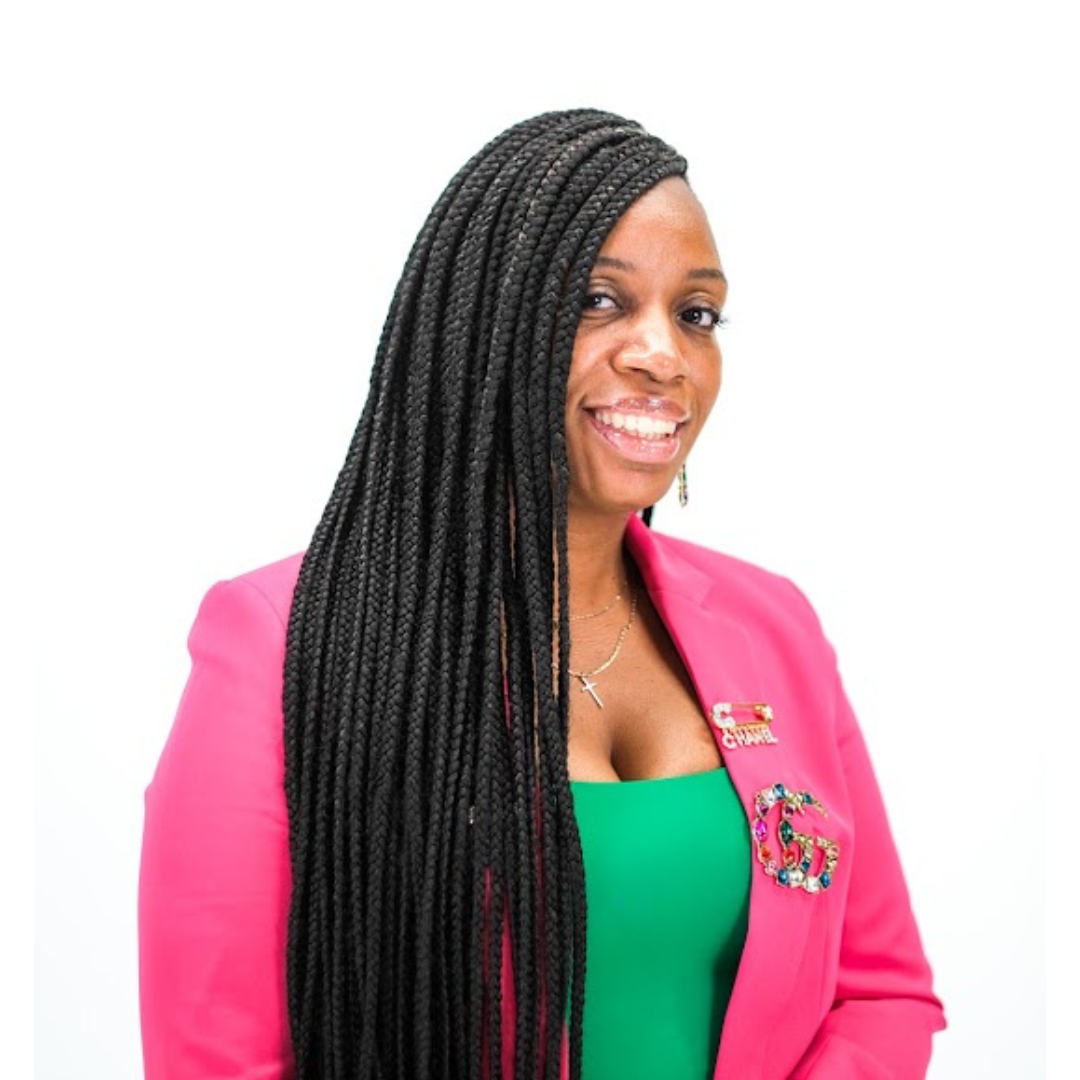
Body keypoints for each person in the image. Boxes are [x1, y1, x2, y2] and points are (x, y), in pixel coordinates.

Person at [139, 109, 945, 1079]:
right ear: (482, 325)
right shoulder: (279, 641)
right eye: (601, 300)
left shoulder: (774, 628)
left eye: (696, 314)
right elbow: (218, 1056)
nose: (664, 354)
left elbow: (882, 989)